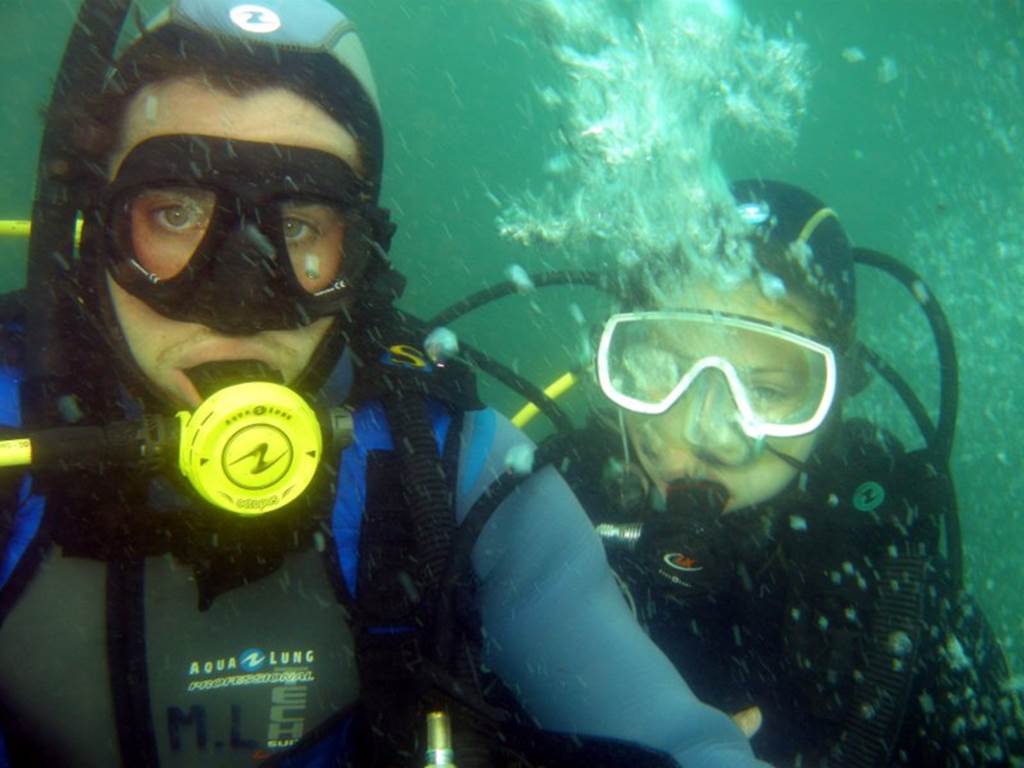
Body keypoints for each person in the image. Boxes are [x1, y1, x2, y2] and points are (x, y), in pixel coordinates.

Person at [0, 1, 768, 767]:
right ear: (93, 230)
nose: (237, 297)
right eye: (173, 212)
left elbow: (673, 741)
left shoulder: (450, 472)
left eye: (300, 225)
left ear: (363, 255)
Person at [558, 179, 1024, 766]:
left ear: (832, 405)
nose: (707, 432)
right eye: (665, 367)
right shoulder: (539, 511)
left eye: (767, 389)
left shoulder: (892, 594)